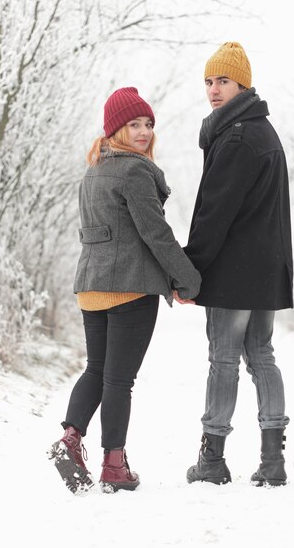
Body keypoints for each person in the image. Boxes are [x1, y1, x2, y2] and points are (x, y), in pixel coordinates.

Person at [48, 86, 201, 494]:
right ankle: (114, 465)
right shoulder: (134, 171)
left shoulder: (93, 169)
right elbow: (156, 234)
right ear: (116, 128)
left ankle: (70, 437)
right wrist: (187, 279)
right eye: (134, 124)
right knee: (118, 380)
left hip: (91, 287)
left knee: (96, 370)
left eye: (149, 124)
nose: (144, 131)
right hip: (130, 289)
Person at [181, 42, 293, 487]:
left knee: (223, 359)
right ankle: (272, 460)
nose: (213, 89)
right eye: (209, 81)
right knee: (261, 355)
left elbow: (215, 212)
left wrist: (190, 270)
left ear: (243, 83)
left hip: (234, 270)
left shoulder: (238, 136)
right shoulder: (263, 131)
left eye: (223, 81)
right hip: (265, 268)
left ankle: (212, 459)